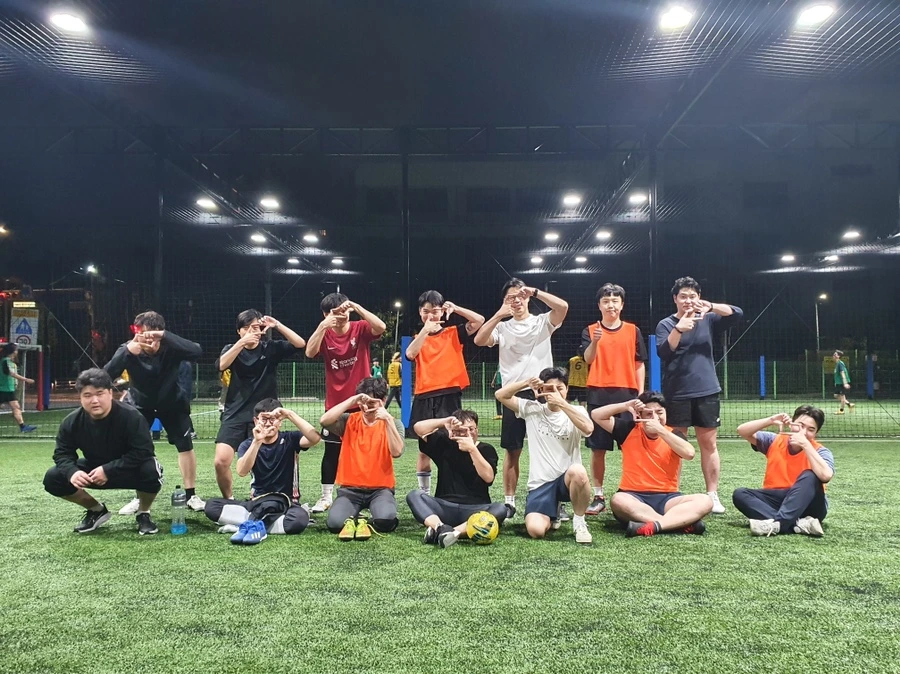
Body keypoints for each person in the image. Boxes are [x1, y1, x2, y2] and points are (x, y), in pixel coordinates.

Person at [475, 278, 568, 517]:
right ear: (504, 301)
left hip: (543, 393)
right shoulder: (502, 327)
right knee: (512, 449)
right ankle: (509, 502)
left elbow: (563, 307)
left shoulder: (542, 321)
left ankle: (557, 501)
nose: (516, 300)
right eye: (511, 297)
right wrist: (499, 314)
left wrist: (535, 292)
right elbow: (479, 340)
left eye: (520, 296)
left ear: (527, 298)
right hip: (513, 394)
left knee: (552, 448)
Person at [655, 276, 742, 515]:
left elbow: (737, 314)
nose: (688, 300)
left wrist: (711, 306)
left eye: (692, 296)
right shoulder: (666, 324)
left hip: (707, 390)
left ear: (699, 297)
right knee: (676, 445)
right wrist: (678, 329)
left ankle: (712, 494)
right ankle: (671, 492)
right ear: (675, 299)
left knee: (709, 444)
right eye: (683, 296)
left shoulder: (709, 319)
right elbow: (664, 352)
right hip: (677, 392)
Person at [105, 311, 205, 514]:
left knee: (185, 446)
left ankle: (191, 496)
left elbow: (197, 351)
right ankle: (139, 497)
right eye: (143, 334)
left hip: (173, 404)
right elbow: (105, 375)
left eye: (153, 335)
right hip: (141, 406)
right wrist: (127, 353)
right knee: (136, 449)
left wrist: (165, 336)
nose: (147, 340)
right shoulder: (129, 349)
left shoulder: (172, 348)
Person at [42, 368, 163, 535]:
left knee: (151, 470)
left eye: (100, 394)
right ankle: (96, 510)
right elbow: (62, 453)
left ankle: (144, 513)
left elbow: (143, 452)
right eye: (87, 395)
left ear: (110, 393)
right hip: (94, 469)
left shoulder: (131, 417)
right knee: (53, 477)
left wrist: (108, 470)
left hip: (129, 469)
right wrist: (72, 472)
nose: (94, 400)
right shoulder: (71, 422)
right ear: (80, 397)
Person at [305, 293, 386, 514]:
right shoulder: (324, 333)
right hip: (336, 405)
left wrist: (357, 307)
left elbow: (380, 327)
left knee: (368, 450)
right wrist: (323, 325)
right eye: (335, 312)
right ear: (326, 314)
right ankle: (326, 497)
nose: (341, 315)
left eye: (344, 310)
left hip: (363, 403)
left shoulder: (360, 328)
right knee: (332, 452)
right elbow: (310, 352)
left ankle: (371, 494)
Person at [591, 392, 712, 537]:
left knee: (705, 501)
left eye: (659, 412)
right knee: (618, 500)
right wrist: (625, 405)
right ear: (640, 415)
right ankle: (675, 524)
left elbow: (689, 454)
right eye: (648, 413)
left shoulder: (673, 434)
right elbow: (596, 415)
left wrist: (660, 430)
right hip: (633, 496)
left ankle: (654, 526)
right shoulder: (628, 429)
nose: (655, 417)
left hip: (669, 498)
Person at [214, 310, 306, 499]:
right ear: (239, 331)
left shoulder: (270, 348)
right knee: (220, 461)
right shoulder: (232, 348)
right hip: (235, 412)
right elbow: (221, 365)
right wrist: (241, 343)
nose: (251, 331)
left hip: (265, 415)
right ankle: (229, 500)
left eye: (255, 327)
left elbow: (300, 344)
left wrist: (277, 325)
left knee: (267, 459)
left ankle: (267, 495)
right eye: (246, 328)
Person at [495, 367, 593, 544]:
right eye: (549, 388)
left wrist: (562, 403)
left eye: (559, 388)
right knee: (536, 530)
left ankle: (579, 521)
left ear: (567, 389)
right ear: (541, 390)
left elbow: (588, 429)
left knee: (578, 471)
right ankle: (553, 511)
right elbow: (500, 395)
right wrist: (526, 383)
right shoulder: (532, 409)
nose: (554, 392)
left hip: (567, 482)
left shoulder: (577, 410)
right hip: (541, 485)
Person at [204, 398, 321, 543]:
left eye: (273, 419)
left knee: (298, 519)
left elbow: (315, 438)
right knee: (211, 506)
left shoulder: (290, 438)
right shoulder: (248, 444)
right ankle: (260, 524)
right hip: (256, 503)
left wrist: (289, 414)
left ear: (280, 422)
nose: (268, 423)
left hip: (287, 503)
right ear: (255, 421)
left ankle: (247, 525)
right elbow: (241, 471)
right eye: (264, 419)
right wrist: (257, 441)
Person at [406, 290, 484, 494]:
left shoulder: (453, 333)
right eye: (426, 311)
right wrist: (425, 330)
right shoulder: (418, 338)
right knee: (424, 448)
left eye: (435, 311)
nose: (431, 315)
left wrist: (456, 308)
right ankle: (424, 493)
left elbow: (479, 320)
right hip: (424, 396)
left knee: (452, 444)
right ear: (420, 312)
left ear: (442, 311)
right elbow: (410, 354)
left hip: (449, 395)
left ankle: (452, 489)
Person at [579, 283, 647, 516]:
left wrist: (640, 394)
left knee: (632, 447)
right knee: (598, 449)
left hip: (627, 395)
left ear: (622, 304)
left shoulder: (633, 330)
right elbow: (588, 359)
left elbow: (639, 364)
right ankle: (599, 496)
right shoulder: (590, 330)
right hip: (598, 394)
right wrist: (596, 341)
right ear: (599, 305)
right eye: (606, 301)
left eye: (615, 301)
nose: (611, 305)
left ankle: (635, 491)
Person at [320, 377, 405, 540]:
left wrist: (387, 419)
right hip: (350, 490)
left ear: (383, 401)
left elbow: (397, 452)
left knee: (386, 521)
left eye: (371, 403)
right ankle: (355, 517)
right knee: (335, 524)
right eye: (362, 403)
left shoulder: (394, 423)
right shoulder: (348, 420)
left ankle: (363, 520)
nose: (365, 408)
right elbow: (324, 421)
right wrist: (353, 400)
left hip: (381, 490)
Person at [409, 409, 507, 549]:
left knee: (500, 509)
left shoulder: (486, 449)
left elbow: (488, 478)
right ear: (454, 431)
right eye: (461, 430)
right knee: (414, 495)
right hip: (444, 507)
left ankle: (452, 533)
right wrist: (444, 422)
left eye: (471, 429)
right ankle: (440, 527)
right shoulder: (444, 443)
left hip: (474, 511)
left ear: (477, 430)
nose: (467, 433)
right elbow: (418, 428)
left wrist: (472, 449)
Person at [733, 406, 834, 537]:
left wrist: (805, 445)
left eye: (811, 429)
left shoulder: (821, 451)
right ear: (791, 424)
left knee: (810, 476)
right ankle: (797, 525)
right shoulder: (775, 440)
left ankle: (779, 524)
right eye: (800, 426)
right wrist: (771, 420)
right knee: (740, 494)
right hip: (777, 498)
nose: (803, 432)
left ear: (816, 434)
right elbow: (742, 431)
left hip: (809, 504)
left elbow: (825, 476)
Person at [0, 343, 37, 432]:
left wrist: (15, 383)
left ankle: (23, 427)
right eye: (16, 350)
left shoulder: (10, 362)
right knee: (15, 407)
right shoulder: (5, 361)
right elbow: (12, 374)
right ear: (13, 351)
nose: (17, 352)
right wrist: (26, 379)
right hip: (2, 389)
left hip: (9, 389)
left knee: (16, 407)